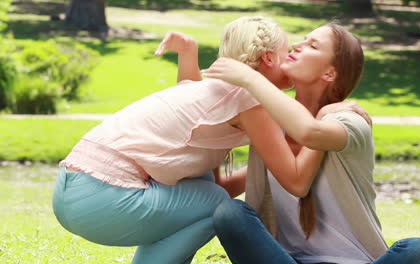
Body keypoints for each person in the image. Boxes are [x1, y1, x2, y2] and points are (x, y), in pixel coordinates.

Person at [52, 16, 353, 264]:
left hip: (72, 190)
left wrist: (188, 54)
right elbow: (297, 181)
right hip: (107, 198)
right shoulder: (249, 100)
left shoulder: (216, 87)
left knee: (210, 195)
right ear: (269, 58)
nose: (292, 55)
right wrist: (328, 122)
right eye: (288, 51)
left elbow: (214, 177)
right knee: (220, 207)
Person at [202, 23, 420, 264]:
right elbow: (223, 189)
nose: (297, 45)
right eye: (303, 39)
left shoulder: (350, 122)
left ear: (329, 73)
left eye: (312, 45)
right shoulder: (268, 124)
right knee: (230, 213)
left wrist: (250, 79)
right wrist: (213, 141)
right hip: (285, 260)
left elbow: (310, 133)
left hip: (353, 262)